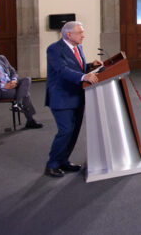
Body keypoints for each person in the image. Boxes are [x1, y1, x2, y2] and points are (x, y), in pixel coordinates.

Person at [45, 21, 101, 178]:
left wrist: (90, 66)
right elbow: (62, 70)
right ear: (69, 34)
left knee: (74, 132)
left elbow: (76, 67)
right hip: (61, 98)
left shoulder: (78, 47)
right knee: (66, 131)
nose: (83, 35)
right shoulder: (54, 49)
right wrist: (84, 76)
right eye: (80, 32)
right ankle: (52, 164)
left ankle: (63, 161)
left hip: (77, 96)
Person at [0, 41, 42, 129]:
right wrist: (3, 86)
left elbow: (13, 71)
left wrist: (14, 80)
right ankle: (29, 119)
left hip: (11, 84)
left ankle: (19, 105)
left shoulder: (1, 58)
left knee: (27, 79)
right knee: (25, 94)